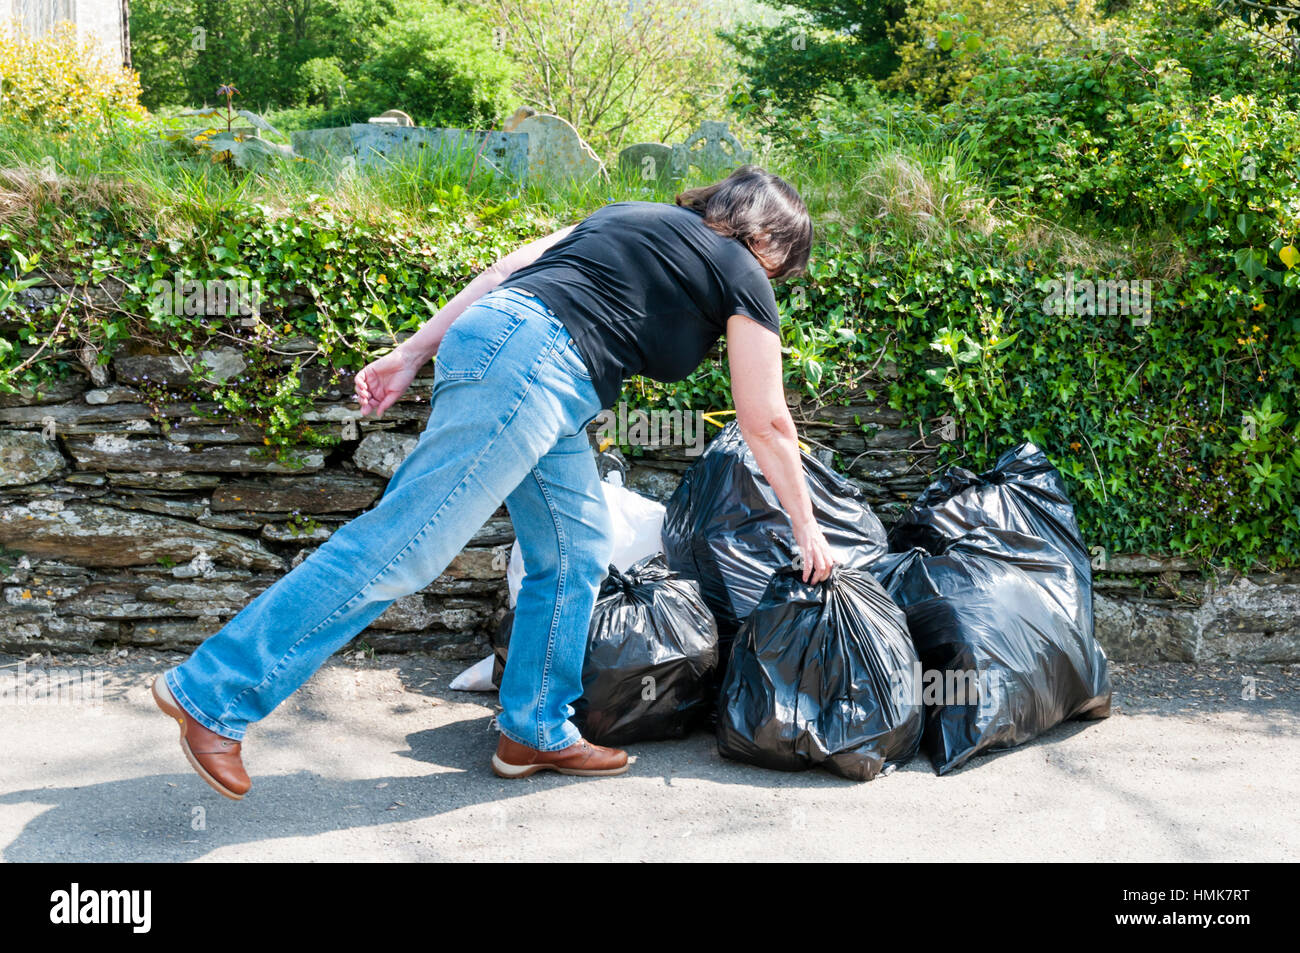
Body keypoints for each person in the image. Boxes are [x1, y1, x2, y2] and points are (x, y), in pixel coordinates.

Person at [151, 165, 836, 798]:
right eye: (786, 262)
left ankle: (535, 727)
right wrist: (806, 527)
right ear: (770, 239)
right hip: (536, 367)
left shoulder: (628, 214)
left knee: (578, 546)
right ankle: (215, 692)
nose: (777, 276)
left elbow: (507, 268)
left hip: (524, 357)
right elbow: (766, 420)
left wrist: (414, 349)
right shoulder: (742, 270)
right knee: (406, 543)